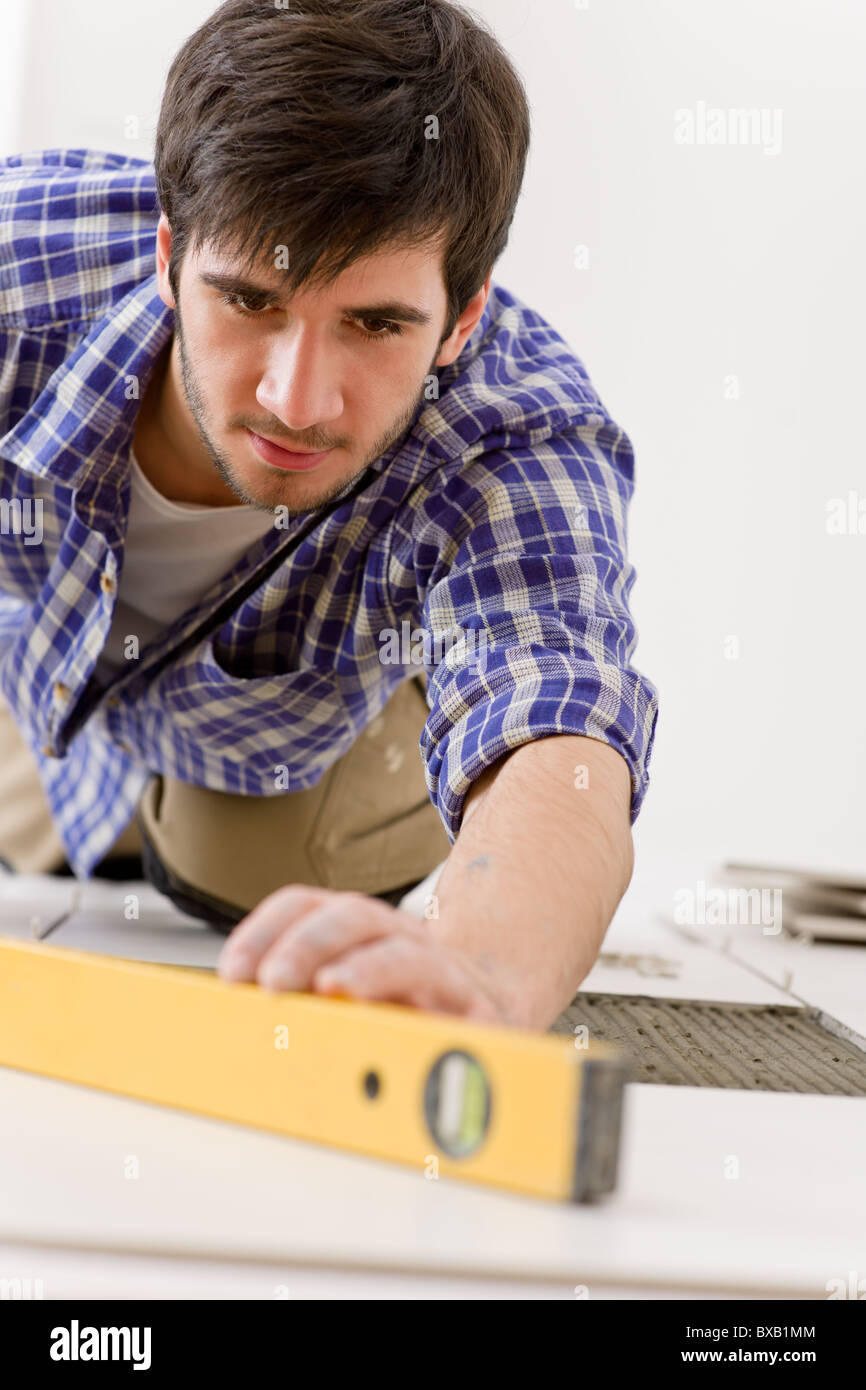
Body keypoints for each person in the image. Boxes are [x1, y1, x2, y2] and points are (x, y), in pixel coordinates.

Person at [0, 0, 658, 1029]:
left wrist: (483, 973)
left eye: (374, 323)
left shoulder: (516, 431)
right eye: (250, 301)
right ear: (171, 254)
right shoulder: (18, 265)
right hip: (33, 664)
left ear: (464, 314)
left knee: (255, 871)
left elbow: (556, 726)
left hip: (286, 735)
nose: (296, 402)